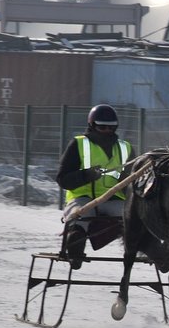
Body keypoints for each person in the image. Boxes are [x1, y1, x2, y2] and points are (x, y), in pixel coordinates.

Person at [56, 104, 134, 269]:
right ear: (92, 125)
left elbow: (133, 182)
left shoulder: (125, 148)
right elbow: (62, 179)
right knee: (81, 216)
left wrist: (126, 184)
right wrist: (86, 175)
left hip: (114, 200)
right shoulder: (77, 145)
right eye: (102, 126)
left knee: (135, 216)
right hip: (82, 199)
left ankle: (158, 253)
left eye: (111, 127)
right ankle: (75, 252)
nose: (106, 130)